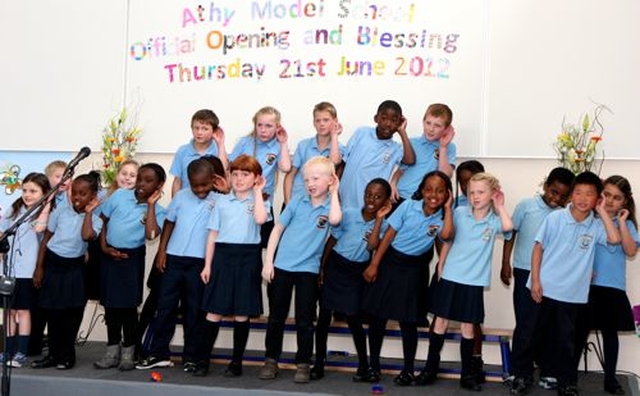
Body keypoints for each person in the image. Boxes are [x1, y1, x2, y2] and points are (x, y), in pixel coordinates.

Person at [510, 171, 621, 396]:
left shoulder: (596, 225)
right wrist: (536, 281)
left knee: (566, 343)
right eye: (578, 192)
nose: (582, 198)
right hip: (543, 288)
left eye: (589, 194)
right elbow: (538, 248)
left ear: (597, 198)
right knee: (529, 335)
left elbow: (615, 239)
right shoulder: (556, 218)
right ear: (571, 194)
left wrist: (601, 211)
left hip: (572, 295)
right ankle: (521, 377)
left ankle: (566, 383)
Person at [422, 172, 513, 391]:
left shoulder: (495, 220)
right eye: (471, 192)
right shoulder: (460, 212)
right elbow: (449, 239)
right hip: (451, 275)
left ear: (493, 194)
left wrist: (500, 207)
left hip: (473, 281)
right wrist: (441, 264)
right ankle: (429, 370)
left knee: (468, 328)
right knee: (440, 322)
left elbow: (509, 229)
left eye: (481, 192)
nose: (475, 196)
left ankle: (467, 375)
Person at [362, 171, 454, 385]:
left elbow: (447, 236)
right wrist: (374, 264)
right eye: (429, 189)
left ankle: (408, 370)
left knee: (408, 321)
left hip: (415, 269)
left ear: (447, 194)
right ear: (421, 191)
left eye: (440, 191)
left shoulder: (444, 217)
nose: (434, 195)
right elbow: (389, 236)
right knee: (378, 318)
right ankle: (373, 367)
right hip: (390, 262)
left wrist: (448, 208)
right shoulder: (407, 207)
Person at [259, 156, 341, 384]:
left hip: (308, 270)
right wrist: (269, 262)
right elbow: (276, 230)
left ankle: (303, 363)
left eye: (316, 178)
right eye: (306, 180)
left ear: (331, 180)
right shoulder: (296, 201)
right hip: (282, 266)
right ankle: (271, 360)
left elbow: (335, 220)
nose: (310, 184)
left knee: (305, 319)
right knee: (276, 317)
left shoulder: (331, 206)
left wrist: (335, 193)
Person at [135, 158, 220, 372]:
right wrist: (161, 251)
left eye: (204, 185)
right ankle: (159, 353)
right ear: (188, 181)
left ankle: (191, 356)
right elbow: (169, 222)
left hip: (198, 263)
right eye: (195, 185)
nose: (200, 190)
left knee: (194, 312)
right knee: (165, 308)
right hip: (173, 259)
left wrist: (225, 191)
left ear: (213, 180)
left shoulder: (221, 200)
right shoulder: (181, 196)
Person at [311, 178, 392, 381]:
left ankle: (364, 365)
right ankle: (318, 362)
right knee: (323, 318)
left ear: (386, 201)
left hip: (356, 272)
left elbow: (372, 246)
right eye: (368, 194)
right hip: (336, 266)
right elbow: (332, 239)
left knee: (354, 318)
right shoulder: (348, 213)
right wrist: (322, 267)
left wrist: (380, 219)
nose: (371, 199)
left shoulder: (385, 224)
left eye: (377, 196)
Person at [500, 167, 574, 389]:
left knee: (548, 324)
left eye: (563, 195)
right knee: (526, 323)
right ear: (545, 186)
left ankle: (547, 370)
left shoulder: (566, 214)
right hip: (524, 271)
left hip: (552, 276)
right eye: (553, 192)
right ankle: (519, 372)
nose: (556, 199)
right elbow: (511, 232)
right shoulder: (526, 206)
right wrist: (505, 262)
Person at [196, 154, 269, 377]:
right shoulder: (222, 201)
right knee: (214, 311)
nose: (238, 179)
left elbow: (259, 220)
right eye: (235, 174)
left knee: (241, 313)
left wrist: (257, 192)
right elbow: (212, 235)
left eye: (245, 175)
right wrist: (207, 265)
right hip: (223, 257)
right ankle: (203, 361)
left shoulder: (261, 201)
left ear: (256, 178)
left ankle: (236, 362)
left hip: (248, 258)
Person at [94, 163, 166, 371]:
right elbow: (103, 220)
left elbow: (151, 235)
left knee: (127, 307)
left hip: (131, 258)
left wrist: (151, 206)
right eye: (140, 178)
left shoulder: (160, 210)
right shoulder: (118, 196)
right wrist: (104, 246)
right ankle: (111, 351)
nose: (141, 183)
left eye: (148, 180)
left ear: (159, 185)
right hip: (109, 255)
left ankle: (128, 352)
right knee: (110, 307)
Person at [31, 172, 102, 369]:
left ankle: (67, 355)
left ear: (93, 197)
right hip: (53, 264)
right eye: (74, 193)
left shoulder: (96, 220)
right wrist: (39, 268)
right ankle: (53, 354)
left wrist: (88, 213)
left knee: (70, 314)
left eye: (83, 194)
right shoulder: (61, 211)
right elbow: (46, 240)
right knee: (53, 313)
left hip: (74, 268)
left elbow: (87, 236)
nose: (77, 198)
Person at [574, 175, 638, 395]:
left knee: (610, 334)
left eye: (617, 198)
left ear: (625, 202)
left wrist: (621, 222)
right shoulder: (589, 219)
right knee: (578, 332)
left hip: (612, 288)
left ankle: (610, 379)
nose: (610, 201)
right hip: (587, 286)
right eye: (607, 195)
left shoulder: (627, 224)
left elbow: (630, 251)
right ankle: (568, 377)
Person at [0, 173, 51, 367]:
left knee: (23, 311)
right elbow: (2, 229)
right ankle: (8, 350)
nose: (27, 195)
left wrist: (46, 203)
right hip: (8, 271)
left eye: (33, 191)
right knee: (9, 312)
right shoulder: (15, 209)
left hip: (26, 271)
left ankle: (21, 351)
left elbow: (39, 229)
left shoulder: (43, 213)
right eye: (25, 190)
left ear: (44, 193)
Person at [230, 106, 291, 246]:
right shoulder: (245, 142)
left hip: (263, 202)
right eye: (260, 125)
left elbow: (286, 167)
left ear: (277, 127)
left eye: (269, 126)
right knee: (241, 240)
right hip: (241, 201)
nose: (263, 130)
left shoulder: (277, 145)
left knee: (260, 244)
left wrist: (283, 142)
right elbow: (231, 169)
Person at [339, 100, 415, 210]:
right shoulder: (362, 132)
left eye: (394, 121)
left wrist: (402, 132)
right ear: (376, 118)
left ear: (399, 123)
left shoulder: (395, 148)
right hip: (344, 199)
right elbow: (343, 162)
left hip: (367, 206)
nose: (388, 123)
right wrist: (335, 190)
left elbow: (410, 160)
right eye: (384, 118)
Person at [391, 103, 456, 204]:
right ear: (423, 122)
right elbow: (400, 170)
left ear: (446, 128)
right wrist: (393, 183)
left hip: (424, 201)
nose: (431, 129)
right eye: (428, 123)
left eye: (437, 125)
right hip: (401, 196)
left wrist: (443, 147)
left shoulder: (449, 147)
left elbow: (445, 176)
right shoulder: (411, 142)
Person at [283, 101, 344, 204]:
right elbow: (290, 176)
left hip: (319, 205)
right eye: (318, 120)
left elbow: (334, 161)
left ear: (335, 121)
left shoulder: (339, 148)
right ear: (313, 122)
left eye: (326, 120)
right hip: (296, 201)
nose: (322, 124)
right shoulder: (303, 145)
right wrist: (288, 203)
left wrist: (334, 135)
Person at [170, 109, 228, 196]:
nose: (199, 132)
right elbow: (177, 181)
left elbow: (225, 174)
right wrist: (174, 205)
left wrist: (221, 144)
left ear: (214, 131)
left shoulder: (219, 151)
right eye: (196, 128)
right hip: (187, 200)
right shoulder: (182, 151)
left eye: (205, 129)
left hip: (210, 202)